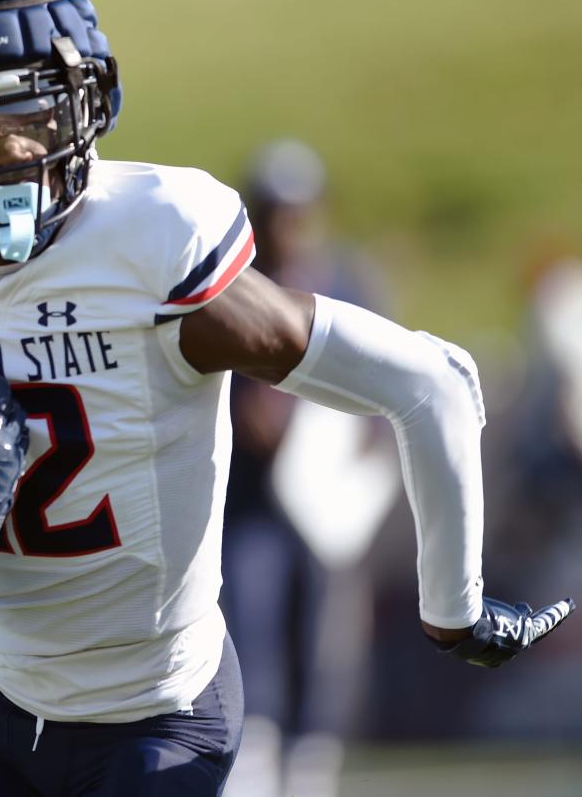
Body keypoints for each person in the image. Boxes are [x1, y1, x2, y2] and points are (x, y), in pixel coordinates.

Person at [0, 0, 574, 796]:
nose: (19, 154)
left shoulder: (154, 243)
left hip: (160, 711)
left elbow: (428, 382)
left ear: (87, 98)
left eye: (37, 114)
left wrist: (453, 608)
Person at [221, 141, 397, 797]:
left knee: (320, 635)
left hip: (326, 508)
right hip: (251, 502)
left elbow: (388, 385)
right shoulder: (234, 285)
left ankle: (310, 760)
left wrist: (361, 463)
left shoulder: (346, 283)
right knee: (249, 620)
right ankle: (256, 753)